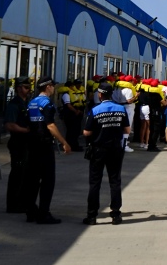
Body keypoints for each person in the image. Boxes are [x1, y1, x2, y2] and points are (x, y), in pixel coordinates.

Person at [22, 76, 70, 224]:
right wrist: (64, 142)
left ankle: (31, 211)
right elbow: (50, 125)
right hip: (44, 144)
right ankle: (44, 213)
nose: (54, 88)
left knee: (33, 180)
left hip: (32, 143)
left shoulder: (32, 102)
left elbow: (28, 124)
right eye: (52, 85)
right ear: (48, 87)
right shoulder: (47, 103)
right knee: (48, 180)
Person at [82, 82, 130, 226]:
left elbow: (86, 132)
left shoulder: (95, 110)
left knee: (95, 182)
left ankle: (91, 216)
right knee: (115, 181)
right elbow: (127, 130)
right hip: (115, 148)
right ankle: (116, 214)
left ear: (100, 94)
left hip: (98, 149)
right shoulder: (121, 109)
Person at [3, 78, 31, 213]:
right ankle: (13, 204)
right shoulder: (14, 105)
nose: (28, 89)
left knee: (25, 174)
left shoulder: (26, 103)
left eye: (29, 87)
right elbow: (9, 124)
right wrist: (26, 130)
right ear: (19, 88)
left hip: (26, 142)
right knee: (17, 173)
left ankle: (21, 201)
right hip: (18, 142)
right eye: (26, 87)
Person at [59, 80, 85, 152]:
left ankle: (74, 145)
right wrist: (76, 111)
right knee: (71, 131)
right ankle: (71, 145)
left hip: (77, 114)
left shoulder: (76, 93)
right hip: (70, 115)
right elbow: (68, 105)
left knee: (76, 130)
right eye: (72, 85)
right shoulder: (66, 94)